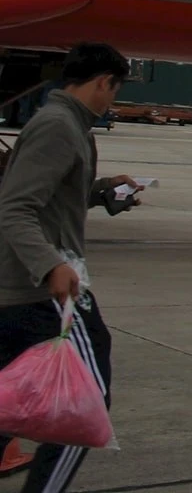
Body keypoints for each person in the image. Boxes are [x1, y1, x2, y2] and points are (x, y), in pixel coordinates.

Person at [0, 43, 140, 492]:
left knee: (9, 403)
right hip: (43, 293)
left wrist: (101, 192)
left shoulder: (69, 124)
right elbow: (16, 206)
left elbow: (52, 198)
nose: (112, 100)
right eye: (113, 90)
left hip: (25, 290)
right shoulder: (59, 126)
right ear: (104, 82)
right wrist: (50, 267)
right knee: (84, 408)